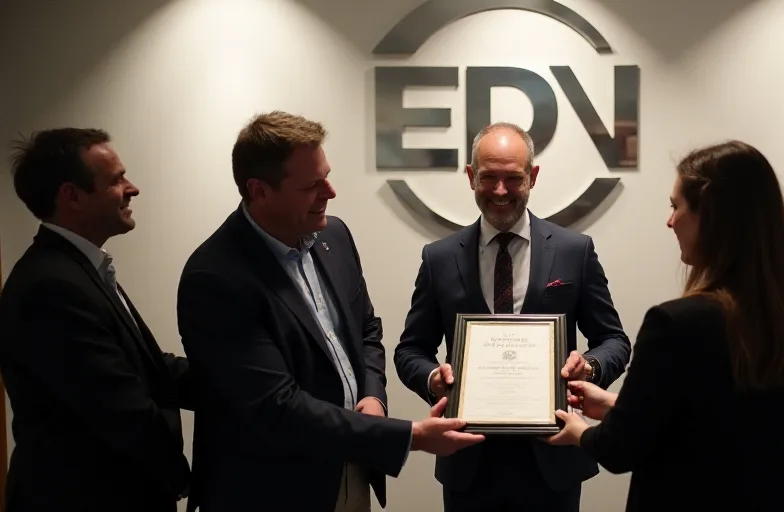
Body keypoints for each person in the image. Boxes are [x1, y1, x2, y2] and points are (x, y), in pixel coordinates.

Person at [175, 111, 483, 512]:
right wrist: (410, 435)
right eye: (311, 185)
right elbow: (277, 408)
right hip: (272, 489)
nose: (330, 191)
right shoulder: (216, 278)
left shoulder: (331, 235)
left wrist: (374, 398)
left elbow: (366, 331)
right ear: (259, 190)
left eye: (327, 175)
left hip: (351, 471)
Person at [548, 140, 784, 511]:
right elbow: (723, 421)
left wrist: (580, 431)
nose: (670, 220)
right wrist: (618, 405)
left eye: (676, 206)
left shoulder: (675, 324)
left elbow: (618, 449)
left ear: (709, 214)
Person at [393, 122, 633, 512]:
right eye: (489, 177)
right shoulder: (438, 258)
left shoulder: (575, 251)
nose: (500, 191)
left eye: (513, 178)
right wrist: (433, 379)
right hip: (469, 462)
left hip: (553, 459)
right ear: (471, 177)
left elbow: (615, 342)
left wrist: (588, 367)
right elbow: (410, 350)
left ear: (532, 177)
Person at [0, 128, 194, 512]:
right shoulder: (51, 287)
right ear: (71, 196)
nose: (132, 188)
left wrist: (249, 380)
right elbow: (124, 411)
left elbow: (150, 368)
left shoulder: (78, 271)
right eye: (116, 179)